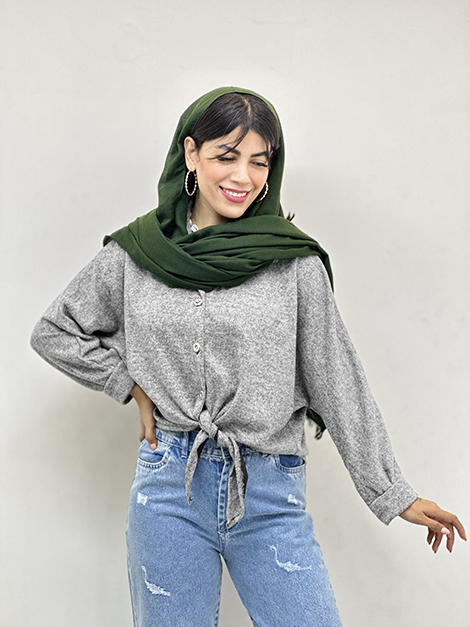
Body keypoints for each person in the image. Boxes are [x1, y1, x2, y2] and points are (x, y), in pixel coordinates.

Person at [30, 86, 466, 627]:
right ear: (191, 153)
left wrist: (393, 493)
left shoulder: (292, 263)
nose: (243, 177)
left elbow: (337, 380)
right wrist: (130, 385)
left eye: (259, 162)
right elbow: (56, 331)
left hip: (269, 493)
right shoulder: (137, 253)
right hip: (168, 489)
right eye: (227, 156)